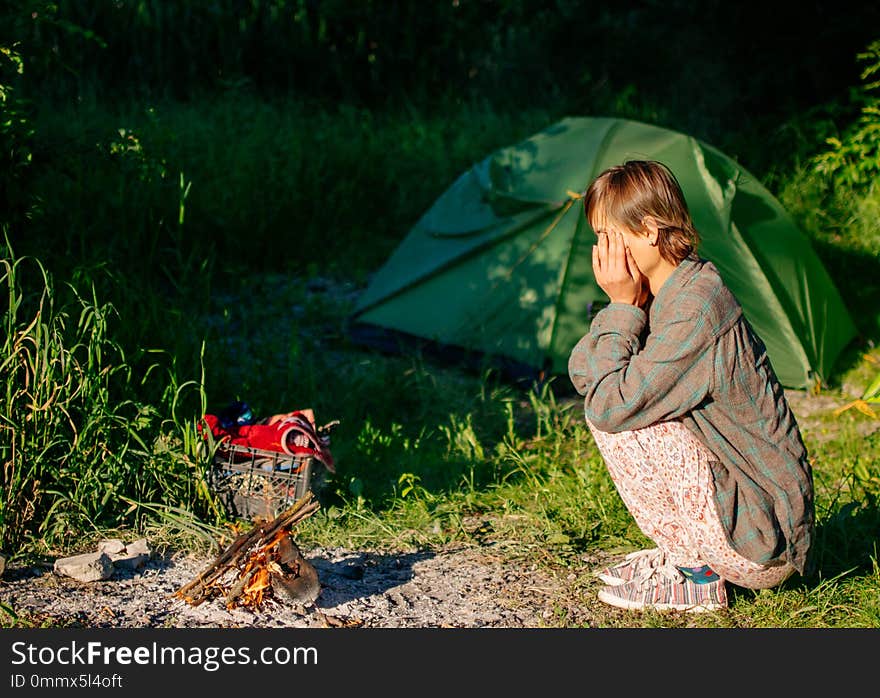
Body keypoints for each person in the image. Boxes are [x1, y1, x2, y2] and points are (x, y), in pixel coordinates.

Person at [567, 159, 814, 613]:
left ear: (648, 231)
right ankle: (689, 558)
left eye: (607, 235)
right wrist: (623, 307)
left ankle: (695, 575)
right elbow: (584, 371)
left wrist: (622, 309)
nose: (600, 252)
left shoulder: (696, 307)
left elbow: (606, 404)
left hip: (764, 541)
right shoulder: (665, 292)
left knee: (621, 417)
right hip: (748, 519)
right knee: (619, 399)